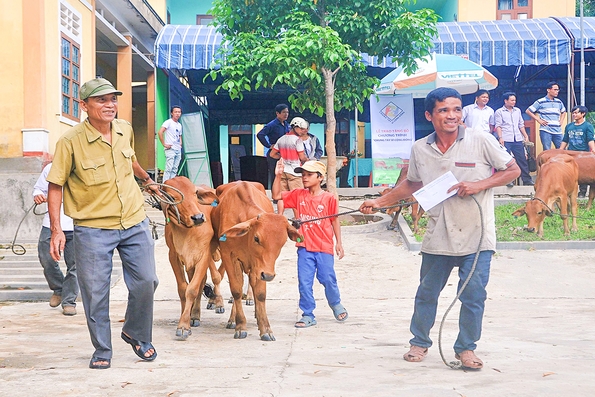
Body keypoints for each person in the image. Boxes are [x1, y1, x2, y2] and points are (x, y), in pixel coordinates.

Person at [359, 87, 520, 370]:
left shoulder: (481, 139)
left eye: (457, 109)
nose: (452, 115)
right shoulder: (420, 148)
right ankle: (419, 342)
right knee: (427, 293)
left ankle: (466, 349)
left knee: (473, 296)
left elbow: (513, 170)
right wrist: (379, 201)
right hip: (438, 234)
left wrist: (477, 185)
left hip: (478, 234)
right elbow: (412, 184)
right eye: (444, 110)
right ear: (429, 115)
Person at [47, 77, 159, 370]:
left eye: (113, 99)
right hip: (93, 227)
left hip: (134, 219)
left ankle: (136, 333)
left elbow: (131, 158)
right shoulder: (69, 142)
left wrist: (147, 180)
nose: (110, 105)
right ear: (84, 106)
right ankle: (102, 349)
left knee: (148, 281)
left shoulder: (124, 130)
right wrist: (57, 230)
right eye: (101, 100)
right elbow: (55, 185)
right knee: (96, 291)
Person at [272, 159, 347, 328]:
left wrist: (339, 243)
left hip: (324, 247)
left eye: (309, 175)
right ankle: (307, 314)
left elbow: (335, 221)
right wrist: (277, 176)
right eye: (303, 175)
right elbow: (276, 195)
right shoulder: (298, 194)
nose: (305, 178)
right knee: (304, 282)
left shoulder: (329, 198)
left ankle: (335, 303)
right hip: (304, 247)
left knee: (328, 279)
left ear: (320, 177)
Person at [33, 162, 78, 316]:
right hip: (52, 223)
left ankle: (69, 301)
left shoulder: (85, 166)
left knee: (75, 265)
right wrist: (38, 195)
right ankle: (58, 288)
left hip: (78, 224)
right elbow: (39, 188)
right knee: (46, 258)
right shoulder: (50, 168)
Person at [494, 92, 534, 187]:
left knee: (522, 160)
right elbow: (498, 126)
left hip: (517, 139)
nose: (514, 102)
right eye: (512, 100)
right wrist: (500, 138)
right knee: (506, 161)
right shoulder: (499, 112)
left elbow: (521, 124)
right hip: (506, 139)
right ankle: (508, 181)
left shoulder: (517, 111)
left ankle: (527, 180)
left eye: (515, 100)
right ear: (505, 101)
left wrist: (525, 136)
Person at [560, 105, 595, 197]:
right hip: (570, 153)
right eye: (573, 113)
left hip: (583, 153)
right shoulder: (569, 126)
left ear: (583, 114)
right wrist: (560, 151)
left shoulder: (588, 126)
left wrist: (593, 149)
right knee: (569, 173)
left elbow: (590, 139)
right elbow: (565, 140)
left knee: (582, 173)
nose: (574, 115)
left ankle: (582, 192)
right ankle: (569, 192)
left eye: (576, 113)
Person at [257, 104, 290, 188]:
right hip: (274, 153)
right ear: (277, 113)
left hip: (285, 154)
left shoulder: (287, 125)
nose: (286, 114)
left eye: (287, 112)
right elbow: (260, 134)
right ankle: (275, 196)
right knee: (275, 174)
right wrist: (268, 145)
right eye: (283, 112)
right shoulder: (272, 124)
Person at [526, 81, 566, 150]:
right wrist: (538, 120)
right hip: (546, 130)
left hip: (557, 130)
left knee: (562, 149)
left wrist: (561, 121)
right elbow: (528, 111)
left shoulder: (559, 102)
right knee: (547, 150)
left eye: (558, 90)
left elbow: (563, 111)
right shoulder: (540, 101)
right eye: (555, 89)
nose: (557, 91)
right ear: (548, 90)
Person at [158, 105, 183, 182]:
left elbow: (180, 135)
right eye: (175, 112)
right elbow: (160, 132)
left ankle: (171, 184)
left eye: (179, 112)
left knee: (175, 169)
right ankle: (165, 185)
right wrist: (164, 144)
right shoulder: (168, 122)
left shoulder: (179, 125)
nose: (177, 114)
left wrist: (180, 143)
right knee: (169, 168)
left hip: (177, 149)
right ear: (172, 113)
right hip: (170, 149)